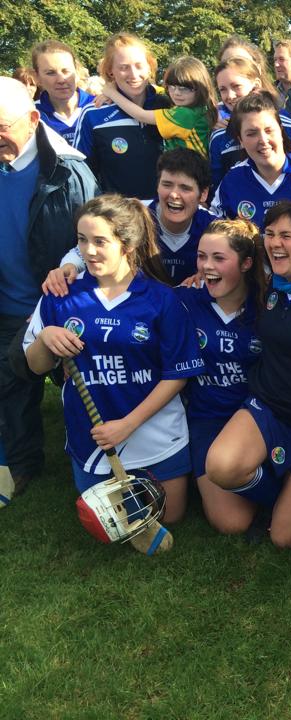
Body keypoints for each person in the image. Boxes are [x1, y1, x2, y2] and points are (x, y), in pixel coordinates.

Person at [23, 195, 204, 553]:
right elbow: (35, 365)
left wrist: (127, 424)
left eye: (100, 241)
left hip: (153, 429)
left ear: (129, 244)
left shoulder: (161, 300)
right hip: (92, 436)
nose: (88, 251)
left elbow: (176, 376)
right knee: (111, 519)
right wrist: (45, 338)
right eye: (81, 240)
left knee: (171, 515)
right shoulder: (60, 296)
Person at [204, 201, 291, 549]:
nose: (275, 243)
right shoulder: (267, 282)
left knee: (285, 537)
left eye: (287, 235)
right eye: (269, 234)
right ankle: (277, 494)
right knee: (221, 466)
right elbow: (226, 271)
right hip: (266, 406)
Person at [0, 77, 99, 503]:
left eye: (1, 126)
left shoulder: (68, 170)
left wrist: (58, 291)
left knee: (70, 388)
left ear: (33, 120)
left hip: (51, 305)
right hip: (6, 302)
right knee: (11, 387)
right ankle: (21, 465)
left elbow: (92, 240)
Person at [176, 218, 265, 535]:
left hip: (256, 415)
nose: (206, 266)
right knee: (231, 523)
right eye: (202, 256)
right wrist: (69, 268)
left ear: (246, 263)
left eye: (218, 258)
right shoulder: (183, 301)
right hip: (207, 418)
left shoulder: (267, 305)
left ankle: (290, 490)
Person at [50, 149, 216, 288]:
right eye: (167, 184)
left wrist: (210, 272)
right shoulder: (132, 212)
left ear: (203, 194)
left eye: (185, 188)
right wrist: (68, 267)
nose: (174, 194)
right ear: (157, 185)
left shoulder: (214, 227)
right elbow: (85, 248)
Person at [73, 33, 165, 199]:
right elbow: (81, 173)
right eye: (124, 67)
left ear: (149, 66)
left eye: (139, 65)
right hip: (118, 218)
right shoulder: (94, 114)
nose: (133, 74)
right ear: (110, 72)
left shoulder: (169, 105)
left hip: (167, 216)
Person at [210, 91, 291, 230]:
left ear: (281, 131)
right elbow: (214, 231)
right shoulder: (232, 180)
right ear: (240, 140)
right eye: (252, 133)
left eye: (269, 130)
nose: (263, 140)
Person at [209, 57, 291, 191]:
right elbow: (218, 187)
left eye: (236, 86)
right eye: (222, 89)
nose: (230, 95)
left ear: (256, 85)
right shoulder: (218, 137)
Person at [100, 55, 218, 158]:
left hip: (187, 173)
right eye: (172, 86)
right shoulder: (201, 107)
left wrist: (112, 93)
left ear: (200, 88)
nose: (176, 93)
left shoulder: (184, 114)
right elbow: (160, 90)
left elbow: (141, 115)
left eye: (184, 88)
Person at [31, 40, 95, 145]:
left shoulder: (99, 107)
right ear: (37, 77)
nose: (61, 80)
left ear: (77, 72)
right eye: (50, 73)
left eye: (66, 71)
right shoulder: (31, 115)